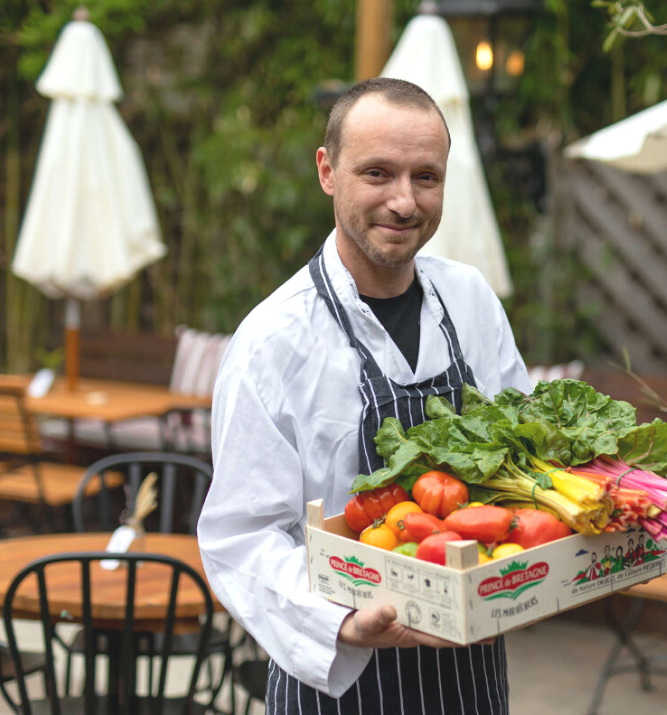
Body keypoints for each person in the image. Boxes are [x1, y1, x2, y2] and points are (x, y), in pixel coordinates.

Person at [197, 77, 531, 713]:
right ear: (327, 171)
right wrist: (342, 624)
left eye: (426, 177)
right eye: (378, 173)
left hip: (471, 670)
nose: (404, 202)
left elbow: (523, 460)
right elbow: (241, 535)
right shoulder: (274, 341)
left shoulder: (472, 302)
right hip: (340, 672)